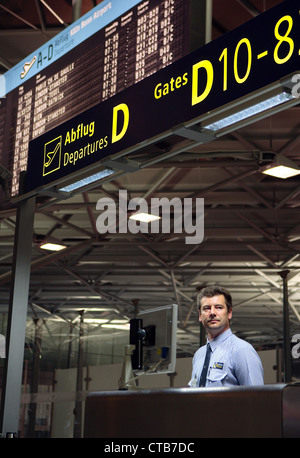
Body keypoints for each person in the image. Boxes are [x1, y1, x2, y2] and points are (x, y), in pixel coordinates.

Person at [189, 286, 264, 387]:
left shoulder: (242, 351)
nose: (212, 313)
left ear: (229, 313)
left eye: (219, 307)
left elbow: (256, 398)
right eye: (207, 308)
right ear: (199, 315)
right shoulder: (199, 355)